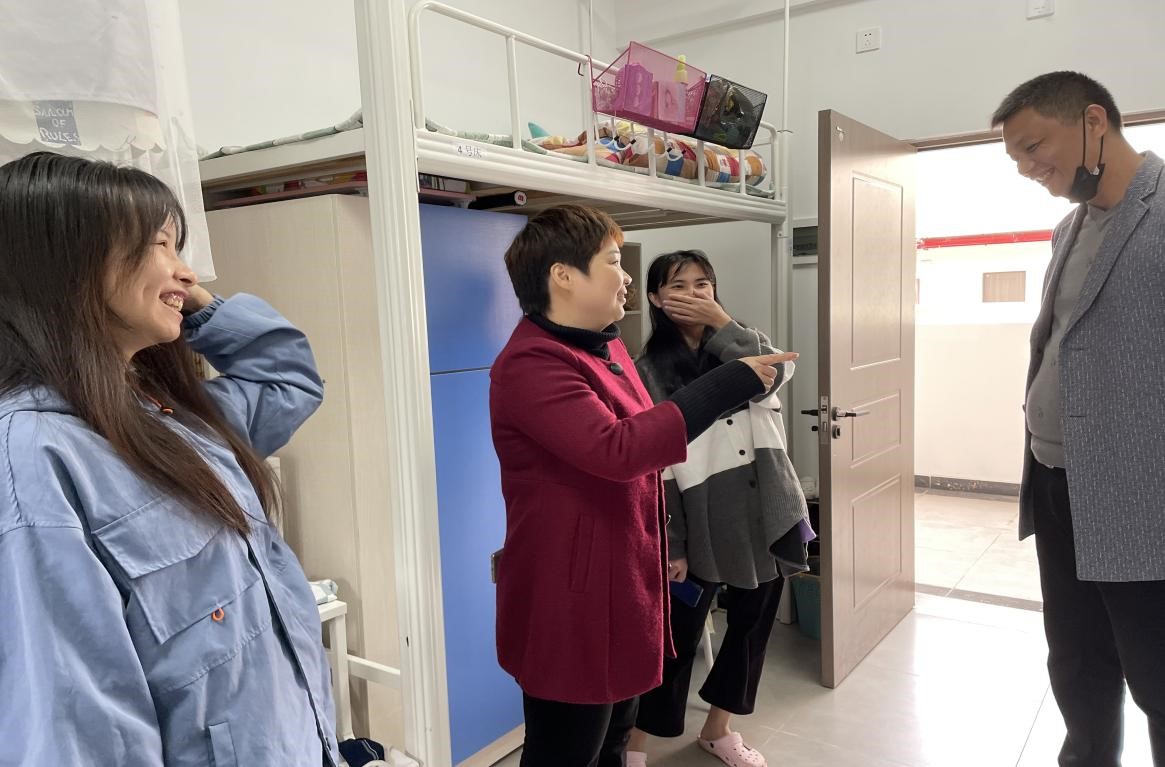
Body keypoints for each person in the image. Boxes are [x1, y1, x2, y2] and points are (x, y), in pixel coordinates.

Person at [0, 152, 337, 765]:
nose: (185, 269)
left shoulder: (165, 413)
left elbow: (287, 380)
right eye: (160, 244)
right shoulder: (33, 456)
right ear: (68, 261)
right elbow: (80, 733)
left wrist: (189, 301)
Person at [489, 205, 797, 767]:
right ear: (563, 275)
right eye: (612, 261)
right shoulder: (531, 364)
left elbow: (648, 447)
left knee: (613, 740)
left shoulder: (602, 346)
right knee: (567, 752)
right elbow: (619, 449)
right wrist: (725, 384)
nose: (626, 275)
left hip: (625, 582)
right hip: (572, 598)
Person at [992, 71, 1165, 765]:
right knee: (1076, 661)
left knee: (1157, 676)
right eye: (1017, 159)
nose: (1028, 168)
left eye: (1034, 147)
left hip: (1141, 496)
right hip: (1055, 480)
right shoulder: (1068, 227)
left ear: (1094, 121)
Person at [627, 250, 811, 767]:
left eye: (703, 283)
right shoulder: (645, 371)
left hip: (769, 505)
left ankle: (719, 729)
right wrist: (674, 543)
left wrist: (722, 323)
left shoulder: (744, 342)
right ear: (655, 298)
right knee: (676, 635)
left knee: (751, 628)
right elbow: (655, 468)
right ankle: (635, 743)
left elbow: (777, 374)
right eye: (678, 286)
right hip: (700, 512)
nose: (693, 294)